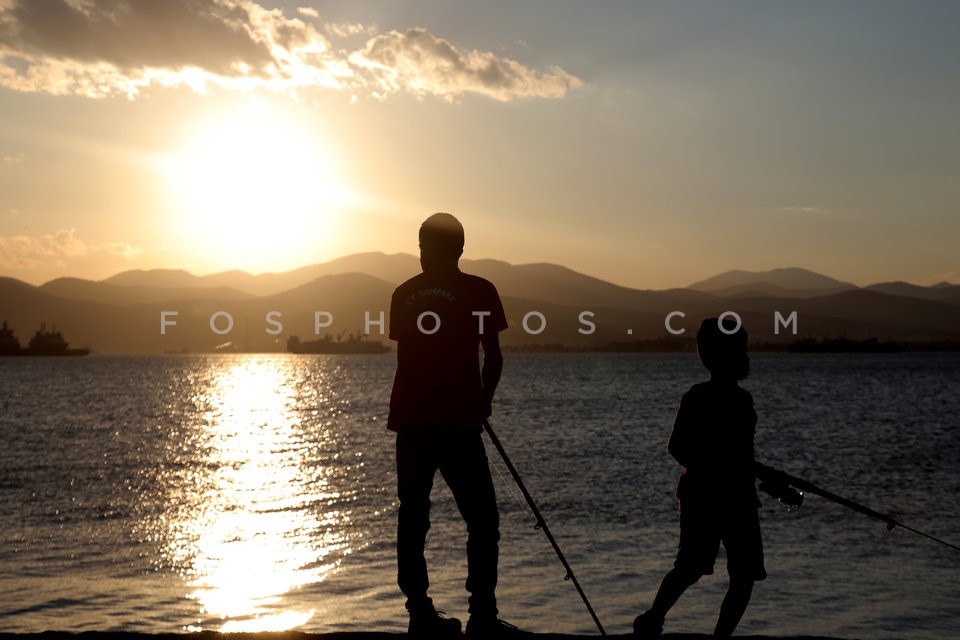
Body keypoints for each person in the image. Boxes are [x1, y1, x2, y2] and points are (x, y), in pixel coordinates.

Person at [388, 212, 523, 638]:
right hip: (458, 423)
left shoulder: (403, 293)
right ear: (460, 248)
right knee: (482, 521)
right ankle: (482, 616)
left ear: (426, 247)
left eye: (422, 244)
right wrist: (483, 402)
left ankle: (419, 615)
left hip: (410, 422)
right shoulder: (480, 290)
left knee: (413, 517)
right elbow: (494, 357)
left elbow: (409, 355)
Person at [634, 316, 780, 639]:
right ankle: (653, 619)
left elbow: (742, 459)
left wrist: (764, 476)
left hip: (739, 497)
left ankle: (720, 638)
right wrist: (719, 468)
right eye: (741, 349)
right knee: (691, 567)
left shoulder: (744, 401)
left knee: (743, 575)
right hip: (704, 496)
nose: (746, 356)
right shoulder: (696, 397)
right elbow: (677, 448)